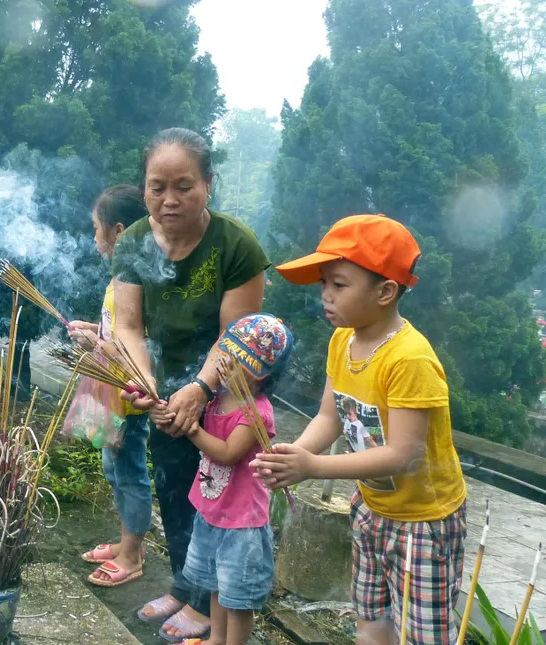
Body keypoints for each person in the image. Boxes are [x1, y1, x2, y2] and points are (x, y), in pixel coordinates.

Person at [253, 214, 467, 645]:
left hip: (424, 521)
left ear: (386, 290)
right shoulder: (342, 340)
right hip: (371, 506)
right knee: (370, 619)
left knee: (424, 635)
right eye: (324, 284)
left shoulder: (409, 359)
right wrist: (292, 455)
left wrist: (312, 467)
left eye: (339, 284)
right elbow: (329, 417)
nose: (326, 297)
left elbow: (401, 454)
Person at [113, 128, 270, 641]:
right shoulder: (136, 239)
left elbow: (236, 338)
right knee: (175, 490)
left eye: (184, 185)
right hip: (164, 387)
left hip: (225, 393)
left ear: (208, 183)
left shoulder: (235, 246)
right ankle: (185, 587)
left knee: (221, 503)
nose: (169, 199)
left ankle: (209, 608)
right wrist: (145, 379)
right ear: (144, 188)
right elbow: (129, 324)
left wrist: (199, 390)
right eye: (157, 186)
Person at [170, 313, 291, 645]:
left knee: (237, 596)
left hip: (242, 522)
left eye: (240, 361)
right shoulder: (218, 396)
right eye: (228, 355)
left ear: (262, 373)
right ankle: (215, 639)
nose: (227, 365)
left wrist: (192, 429)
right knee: (214, 583)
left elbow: (226, 452)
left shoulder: (257, 411)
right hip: (213, 509)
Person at [66, 185, 150, 588]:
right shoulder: (120, 279)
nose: (93, 237)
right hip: (109, 391)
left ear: (118, 232)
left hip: (130, 397)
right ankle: (125, 541)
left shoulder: (142, 282)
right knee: (112, 468)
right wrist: (93, 330)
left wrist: (94, 343)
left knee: (129, 472)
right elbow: (115, 331)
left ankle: (132, 556)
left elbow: (138, 345)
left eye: (96, 228)